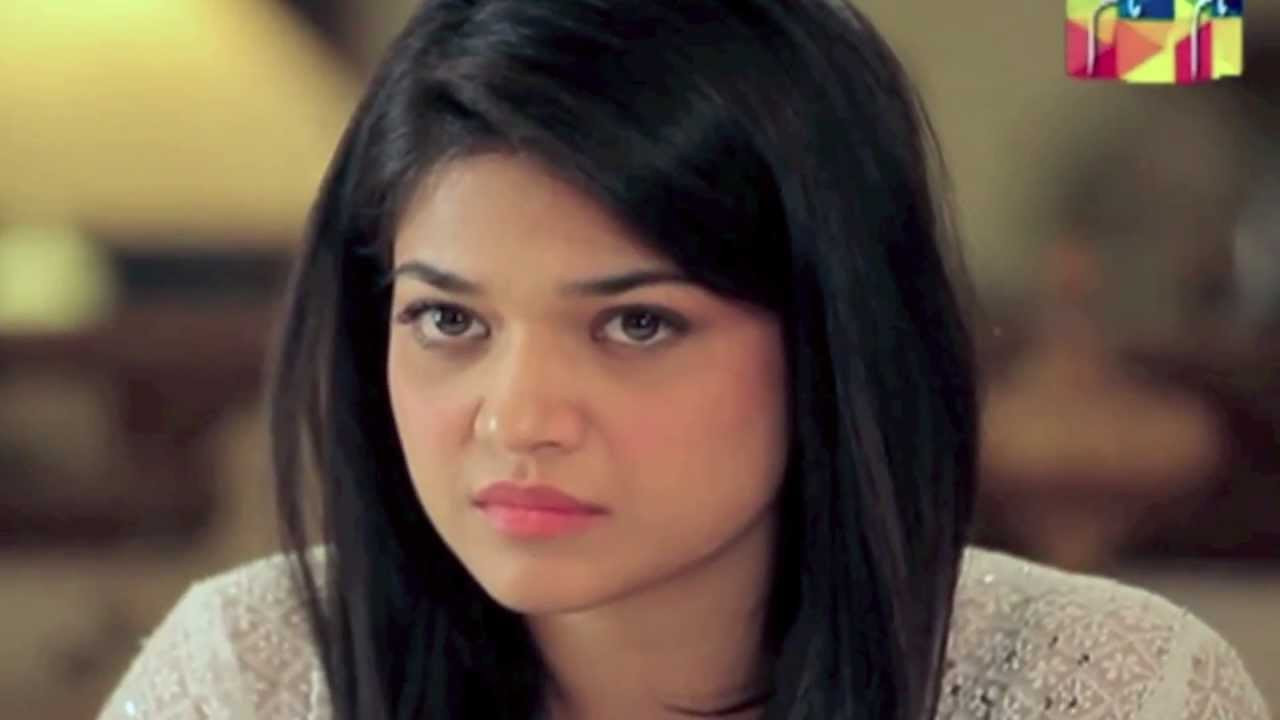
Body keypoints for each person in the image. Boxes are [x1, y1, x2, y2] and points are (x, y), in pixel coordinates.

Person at [97, 1, 1271, 719]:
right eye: (449, 321)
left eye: (636, 325)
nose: (519, 419)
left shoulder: (1107, 689)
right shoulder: (254, 672)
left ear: (829, 338)